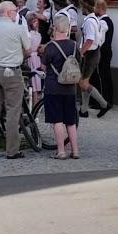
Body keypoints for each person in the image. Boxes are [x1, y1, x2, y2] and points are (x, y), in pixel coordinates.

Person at [0, 0, 32, 159]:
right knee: (12, 110)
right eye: (15, 11)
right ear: (10, 12)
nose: (16, 13)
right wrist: (18, 54)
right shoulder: (19, 28)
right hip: (11, 71)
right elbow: (28, 49)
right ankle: (12, 150)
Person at [40, 15, 80, 159]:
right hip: (70, 88)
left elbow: (43, 66)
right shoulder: (74, 45)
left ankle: (61, 151)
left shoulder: (50, 47)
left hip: (54, 87)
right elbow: (78, 62)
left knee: (57, 120)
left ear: (54, 28)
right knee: (70, 121)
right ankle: (75, 151)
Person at [78, 0, 111, 118]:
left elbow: (90, 40)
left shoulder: (90, 21)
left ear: (86, 8)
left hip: (91, 54)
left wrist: (80, 52)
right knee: (84, 82)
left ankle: (104, 104)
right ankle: (83, 110)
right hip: (92, 53)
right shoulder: (93, 19)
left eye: (82, 7)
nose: (81, 9)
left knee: (83, 83)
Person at [93, 0, 114, 104]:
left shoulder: (102, 22)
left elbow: (101, 40)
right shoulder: (109, 20)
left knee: (102, 76)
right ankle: (108, 99)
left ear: (99, 8)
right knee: (106, 75)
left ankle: (104, 101)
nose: (94, 9)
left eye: (95, 7)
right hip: (107, 50)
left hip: (103, 52)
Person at [26, 14, 43, 105]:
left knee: (35, 82)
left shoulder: (36, 34)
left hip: (35, 57)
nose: (36, 23)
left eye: (36, 21)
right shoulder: (30, 34)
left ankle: (35, 103)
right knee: (33, 82)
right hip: (33, 57)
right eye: (34, 21)